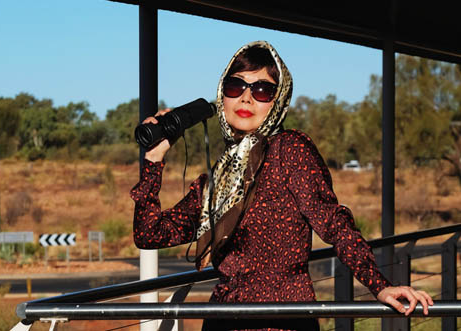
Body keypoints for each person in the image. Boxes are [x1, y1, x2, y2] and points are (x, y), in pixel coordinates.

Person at [130, 41, 433, 331]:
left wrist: (380, 286)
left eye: (262, 90)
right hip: (223, 319)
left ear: (279, 99)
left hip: (283, 319)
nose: (246, 98)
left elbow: (334, 223)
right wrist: (154, 161)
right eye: (236, 87)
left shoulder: (289, 150)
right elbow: (149, 234)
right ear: (222, 95)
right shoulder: (218, 180)